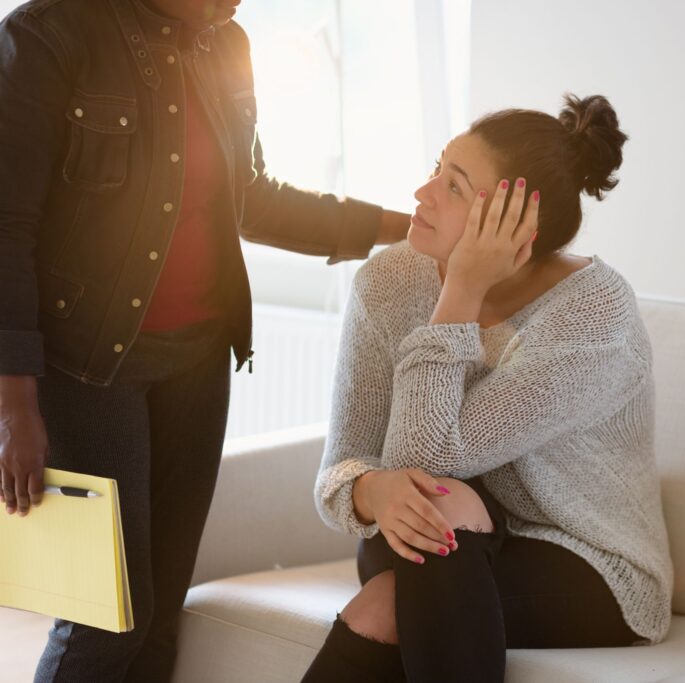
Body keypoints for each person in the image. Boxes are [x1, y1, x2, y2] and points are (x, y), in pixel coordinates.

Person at [0, 1, 413, 681]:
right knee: (107, 620)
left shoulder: (227, 43)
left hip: (197, 363)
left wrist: (403, 226)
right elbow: (6, 226)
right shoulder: (48, 33)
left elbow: (251, 197)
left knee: (163, 619)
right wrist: (14, 401)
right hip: (85, 370)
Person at [303, 94, 674, 682]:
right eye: (436, 170)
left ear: (517, 225)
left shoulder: (593, 315)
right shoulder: (389, 281)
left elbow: (426, 459)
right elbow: (345, 466)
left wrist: (460, 294)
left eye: (454, 188)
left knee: (389, 594)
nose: (422, 195)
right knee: (431, 516)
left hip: (584, 562)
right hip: (427, 530)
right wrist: (372, 492)